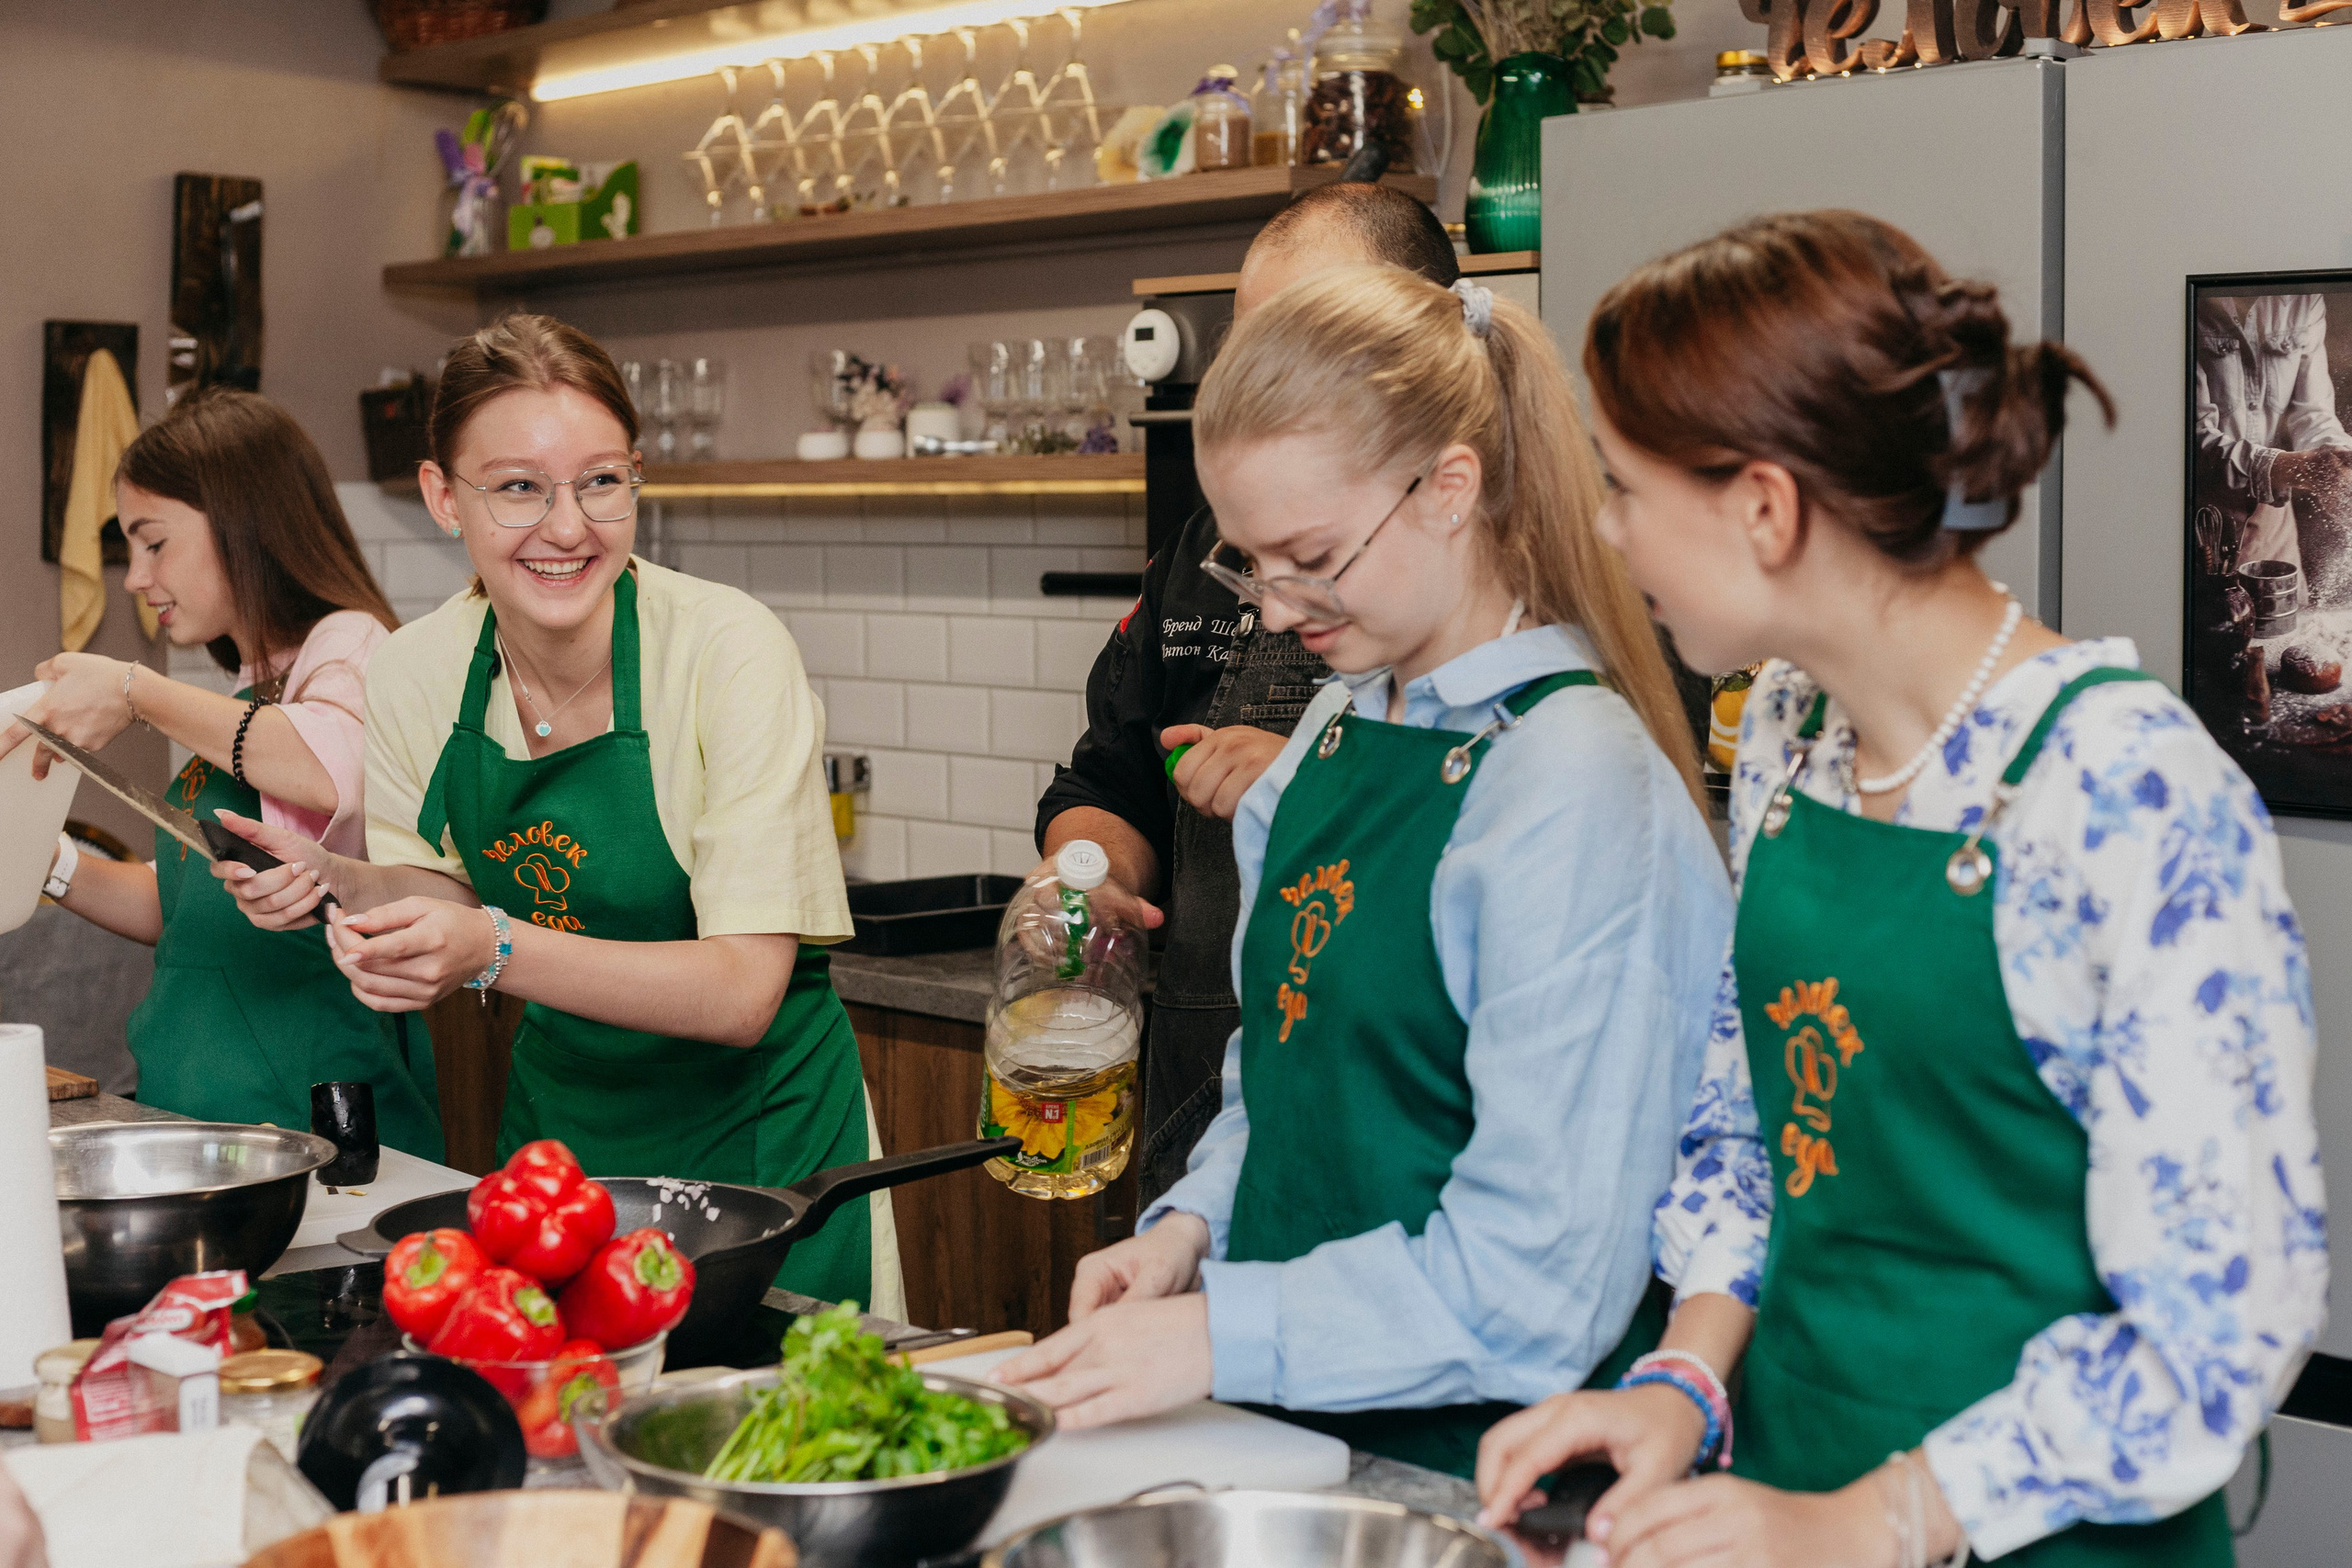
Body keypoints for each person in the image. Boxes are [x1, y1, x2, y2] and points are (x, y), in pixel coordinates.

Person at [1476, 212, 2327, 1566]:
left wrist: (1857, 1523)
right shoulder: (1785, 735)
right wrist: (1680, 1385)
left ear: (1764, 506)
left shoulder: (2127, 791)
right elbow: (1764, 1121)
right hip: (1790, 1481)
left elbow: (2214, 1329)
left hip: (2038, 1537)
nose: (1604, 526)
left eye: (1625, 484)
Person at [997, 266, 1732, 1480]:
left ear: (1451, 488)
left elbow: (1539, 1284)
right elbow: (1279, 1084)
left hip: (1496, 1479)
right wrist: (1191, 1228)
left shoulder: (1573, 781)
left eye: (1313, 557)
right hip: (1297, 1441)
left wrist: (1217, 1333)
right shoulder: (1332, 739)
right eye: (1252, 565)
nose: (1279, 610)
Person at [216, 315, 901, 1314]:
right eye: (519, 488)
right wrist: (343, 885)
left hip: (768, 1155)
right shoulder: (418, 669)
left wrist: (485, 947)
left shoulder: (725, 652)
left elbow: (743, 991)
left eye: (600, 481)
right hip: (559, 1160)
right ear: (444, 497)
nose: (568, 526)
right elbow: (435, 881)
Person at [1034, 180, 1465, 1205]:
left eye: (1310, 560)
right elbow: (1114, 778)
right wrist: (1085, 872)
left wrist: (1311, 786)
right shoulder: (1202, 550)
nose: (1274, 603)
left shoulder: (1519, 597)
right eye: (1247, 346)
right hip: (1209, 1071)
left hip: (1396, 1109)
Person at [0, 389, 442, 1158]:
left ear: (244, 524)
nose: (135, 577)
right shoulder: (247, 694)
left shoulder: (350, 646)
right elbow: (189, 902)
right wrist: (41, 858)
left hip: (311, 1122)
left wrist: (132, 691)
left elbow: (325, 766)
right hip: (199, 1111)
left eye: (154, 542)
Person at [2192, 291, 2352, 589]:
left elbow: (2313, 413)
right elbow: (2190, 439)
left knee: (2288, 630)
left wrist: (2337, 459)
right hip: (2202, 520)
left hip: (2272, 520)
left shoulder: (2304, 297)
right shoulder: (2194, 300)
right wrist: (2291, 468)